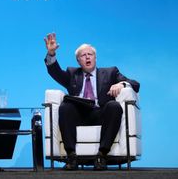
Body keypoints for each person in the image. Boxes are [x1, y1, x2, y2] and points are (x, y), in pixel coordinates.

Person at [44, 33, 140, 170]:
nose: (87, 57)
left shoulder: (110, 72)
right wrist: (51, 53)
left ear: (95, 58)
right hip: (79, 115)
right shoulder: (72, 73)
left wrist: (122, 84)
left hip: (101, 114)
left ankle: (102, 155)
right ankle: (71, 156)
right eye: (83, 55)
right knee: (65, 107)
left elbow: (135, 84)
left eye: (90, 54)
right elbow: (55, 72)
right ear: (78, 61)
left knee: (114, 106)